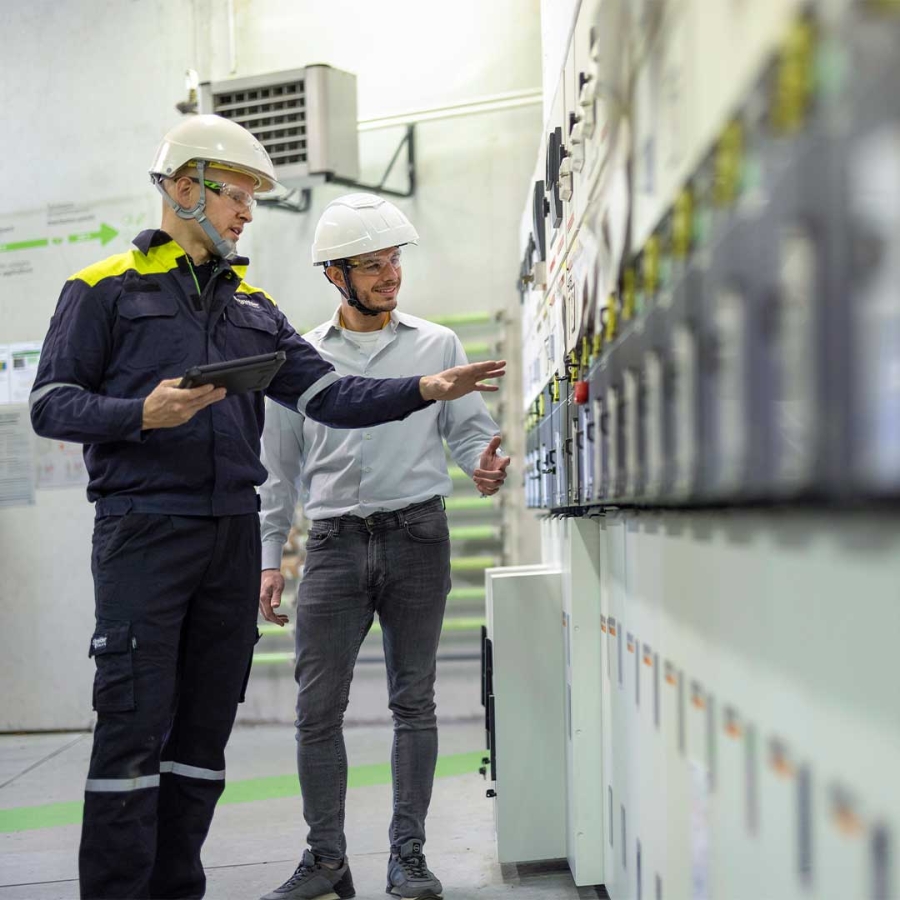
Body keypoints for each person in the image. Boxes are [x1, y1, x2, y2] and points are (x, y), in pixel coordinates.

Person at [28, 117, 505, 900]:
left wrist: (424, 388)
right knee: (132, 730)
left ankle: (180, 887)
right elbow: (50, 404)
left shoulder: (254, 307)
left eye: (251, 199)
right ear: (185, 187)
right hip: (143, 531)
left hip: (226, 536)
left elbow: (333, 397)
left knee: (201, 740)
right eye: (237, 195)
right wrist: (137, 415)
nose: (247, 213)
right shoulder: (100, 289)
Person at [256, 193, 510, 900]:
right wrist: (268, 558)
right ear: (335, 275)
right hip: (334, 543)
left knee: (414, 703)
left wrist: (481, 465)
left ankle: (409, 855)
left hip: (417, 535)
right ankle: (326, 860)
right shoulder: (298, 360)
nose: (389, 276)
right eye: (371, 265)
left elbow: (466, 432)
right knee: (316, 709)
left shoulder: (437, 345)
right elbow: (277, 471)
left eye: (393, 260)